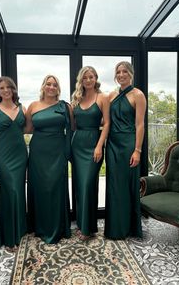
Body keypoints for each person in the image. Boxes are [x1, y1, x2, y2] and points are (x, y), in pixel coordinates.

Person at [25, 75, 72, 244]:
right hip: (38, 151)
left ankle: (58, 227)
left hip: (58, 151)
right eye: (48, 84)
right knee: (40, 188)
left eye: (54, 84)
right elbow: (28, 129)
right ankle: (40, 226)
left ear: (57, 88)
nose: (51, 87)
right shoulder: (33, 106)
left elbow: (72, 128)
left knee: (55, 187)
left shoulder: (65, 106)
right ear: (43, 86)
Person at [0, 76, 28, 252]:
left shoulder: (22, 108)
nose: (5, 90)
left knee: (18, 192)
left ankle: (19, 232)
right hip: (3, 156)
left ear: (13, 89)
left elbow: (29, 128)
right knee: (10, 192)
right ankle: (9, 238)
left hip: (20, 155)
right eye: (1, 88)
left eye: (8, 87)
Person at [104, 61, 146, 240]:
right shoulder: (111, 95)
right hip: (112, 144)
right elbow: (106, 121)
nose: (121, 75)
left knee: (127, 186)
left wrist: (137, 150)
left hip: (128, 144)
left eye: (124, 72)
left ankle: (128, 227)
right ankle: (114, 227)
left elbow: (140, 124)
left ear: (131, 74)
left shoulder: (138, 95)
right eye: (118, 72)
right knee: (114, 186)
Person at [71, 66, 110, 241]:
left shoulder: (102, 98)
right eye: (85, 77)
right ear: (81, 80)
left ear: (96, 78)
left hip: (94, 143)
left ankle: (88, 228)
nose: (88, 80)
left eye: (91, 77)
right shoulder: (77, 98)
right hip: (77, 144)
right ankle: (84, 225)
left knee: (88, 185)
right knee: (80, 186)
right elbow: (72, 125)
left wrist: (99, 146)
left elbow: (107, 123)